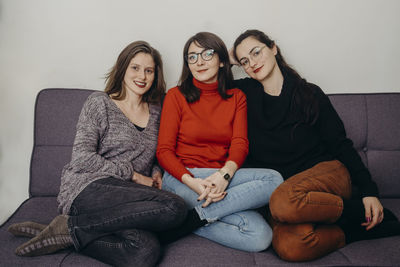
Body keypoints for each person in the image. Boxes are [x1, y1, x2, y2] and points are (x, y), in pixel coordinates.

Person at [8, 41, 187, 267]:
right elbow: (82, 158)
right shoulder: (99, 103)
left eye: (149, 70)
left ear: (155, 75)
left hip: (127, 199)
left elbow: (155, 153)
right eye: (135, 67)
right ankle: (70, 226)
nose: (142, 75)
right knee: (174, 207)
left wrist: (156, 172)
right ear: (122, 69)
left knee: (144, 252)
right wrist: (132, 175)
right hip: (87, 188)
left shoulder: (157, 112)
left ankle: (68, 231)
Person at [231, 29, 400, 261]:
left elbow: (341, 144)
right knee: (289, 246)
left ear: (273, 47)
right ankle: (353, 228)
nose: (253, 63)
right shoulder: (244, 94)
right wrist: (225, 59)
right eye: (244, 61)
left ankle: (356, 208)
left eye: (256, 52)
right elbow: (207, 83)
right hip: (288, 193)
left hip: (327, 174)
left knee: (281, 201)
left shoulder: (309, 93)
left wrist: (369, 192)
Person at [156, 32, 283, 252]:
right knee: (267, 188)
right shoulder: (175, 96)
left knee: (262, 234)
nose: (200, 61)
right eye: (192, 57)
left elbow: (240, 143)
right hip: (182, 178)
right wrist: (193, 182)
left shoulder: (236, 97)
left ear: (222, 59)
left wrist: (224, 175)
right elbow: (164, 151)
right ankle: (200, 213)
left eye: (207, 53)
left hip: (220, 177)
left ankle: (190, 221)